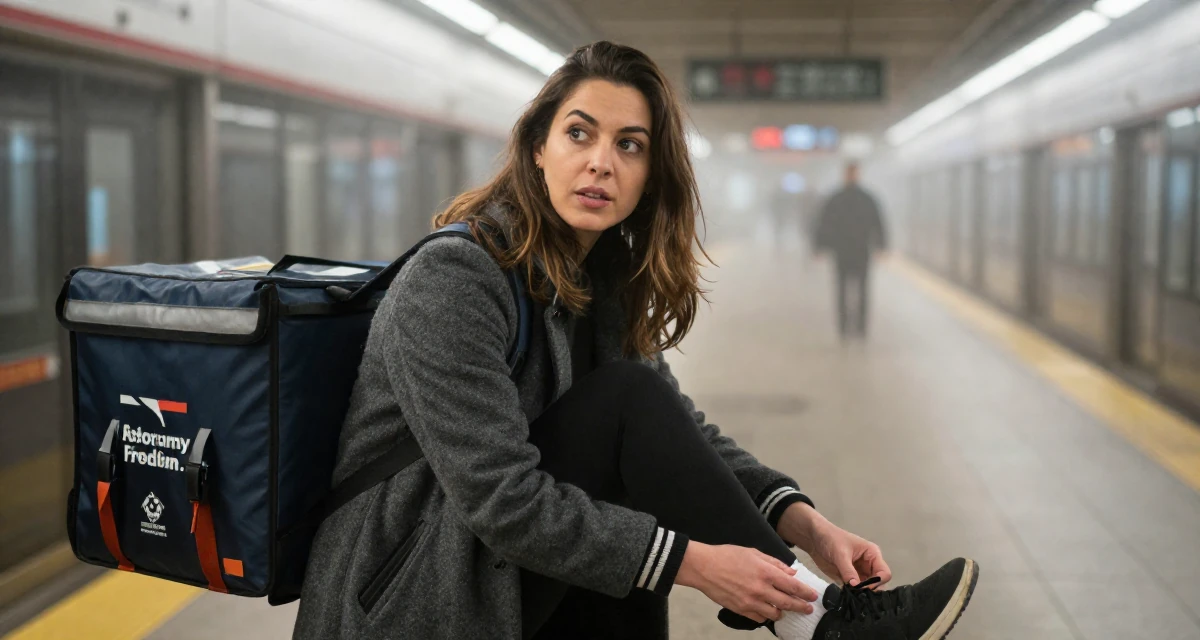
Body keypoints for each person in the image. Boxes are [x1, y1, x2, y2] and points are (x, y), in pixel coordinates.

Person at [293, 42, 976, 640]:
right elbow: (502, 500)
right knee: (629, 416)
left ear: (651, 175)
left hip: (508, 562)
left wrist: (804, 522)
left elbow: (679, 434)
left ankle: (812, 615)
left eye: (629, 145)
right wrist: (700, 566)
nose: (600, 163)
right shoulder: (456, 277)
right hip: (412, 588)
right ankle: (816, 623)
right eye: (579, 135)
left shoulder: (600, 280)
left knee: (633, 470)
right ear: (538, 148)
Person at [813, 163, 889, 340]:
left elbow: (878, 223)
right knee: (846, 290)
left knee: (858, 290)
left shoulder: (837, 198)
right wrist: (819, 246)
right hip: (850, 251)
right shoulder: (866, 198)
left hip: (855, 251)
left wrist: (881, 245)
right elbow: (824, 223)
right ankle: (846, 327)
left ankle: (858, 327)